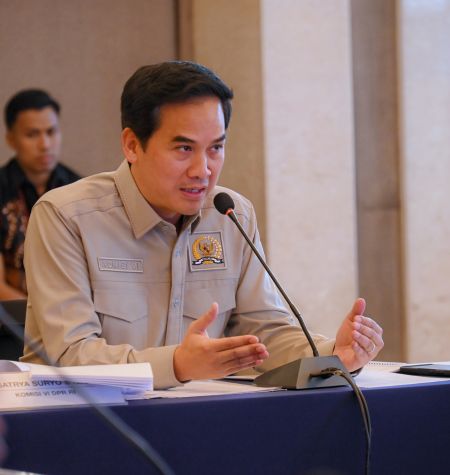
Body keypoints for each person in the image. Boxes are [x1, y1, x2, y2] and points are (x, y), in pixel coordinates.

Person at [21, 62, 383, 388]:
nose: (203, 170)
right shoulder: (65, 216)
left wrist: (333, 355)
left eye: (215, 148)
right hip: (82, 425)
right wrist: (177, 365)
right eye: (184, 149)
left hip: (199, 421)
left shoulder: (231, 214)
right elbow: (70, 356)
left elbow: (265, 336)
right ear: (132, 145)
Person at [0, 89, 80, 299]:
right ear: (11, 139)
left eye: (51, 132)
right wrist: (41, 314)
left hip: (72, 312)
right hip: (10, 316)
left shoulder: (80, 188)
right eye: (32, 134)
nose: (45, 145)